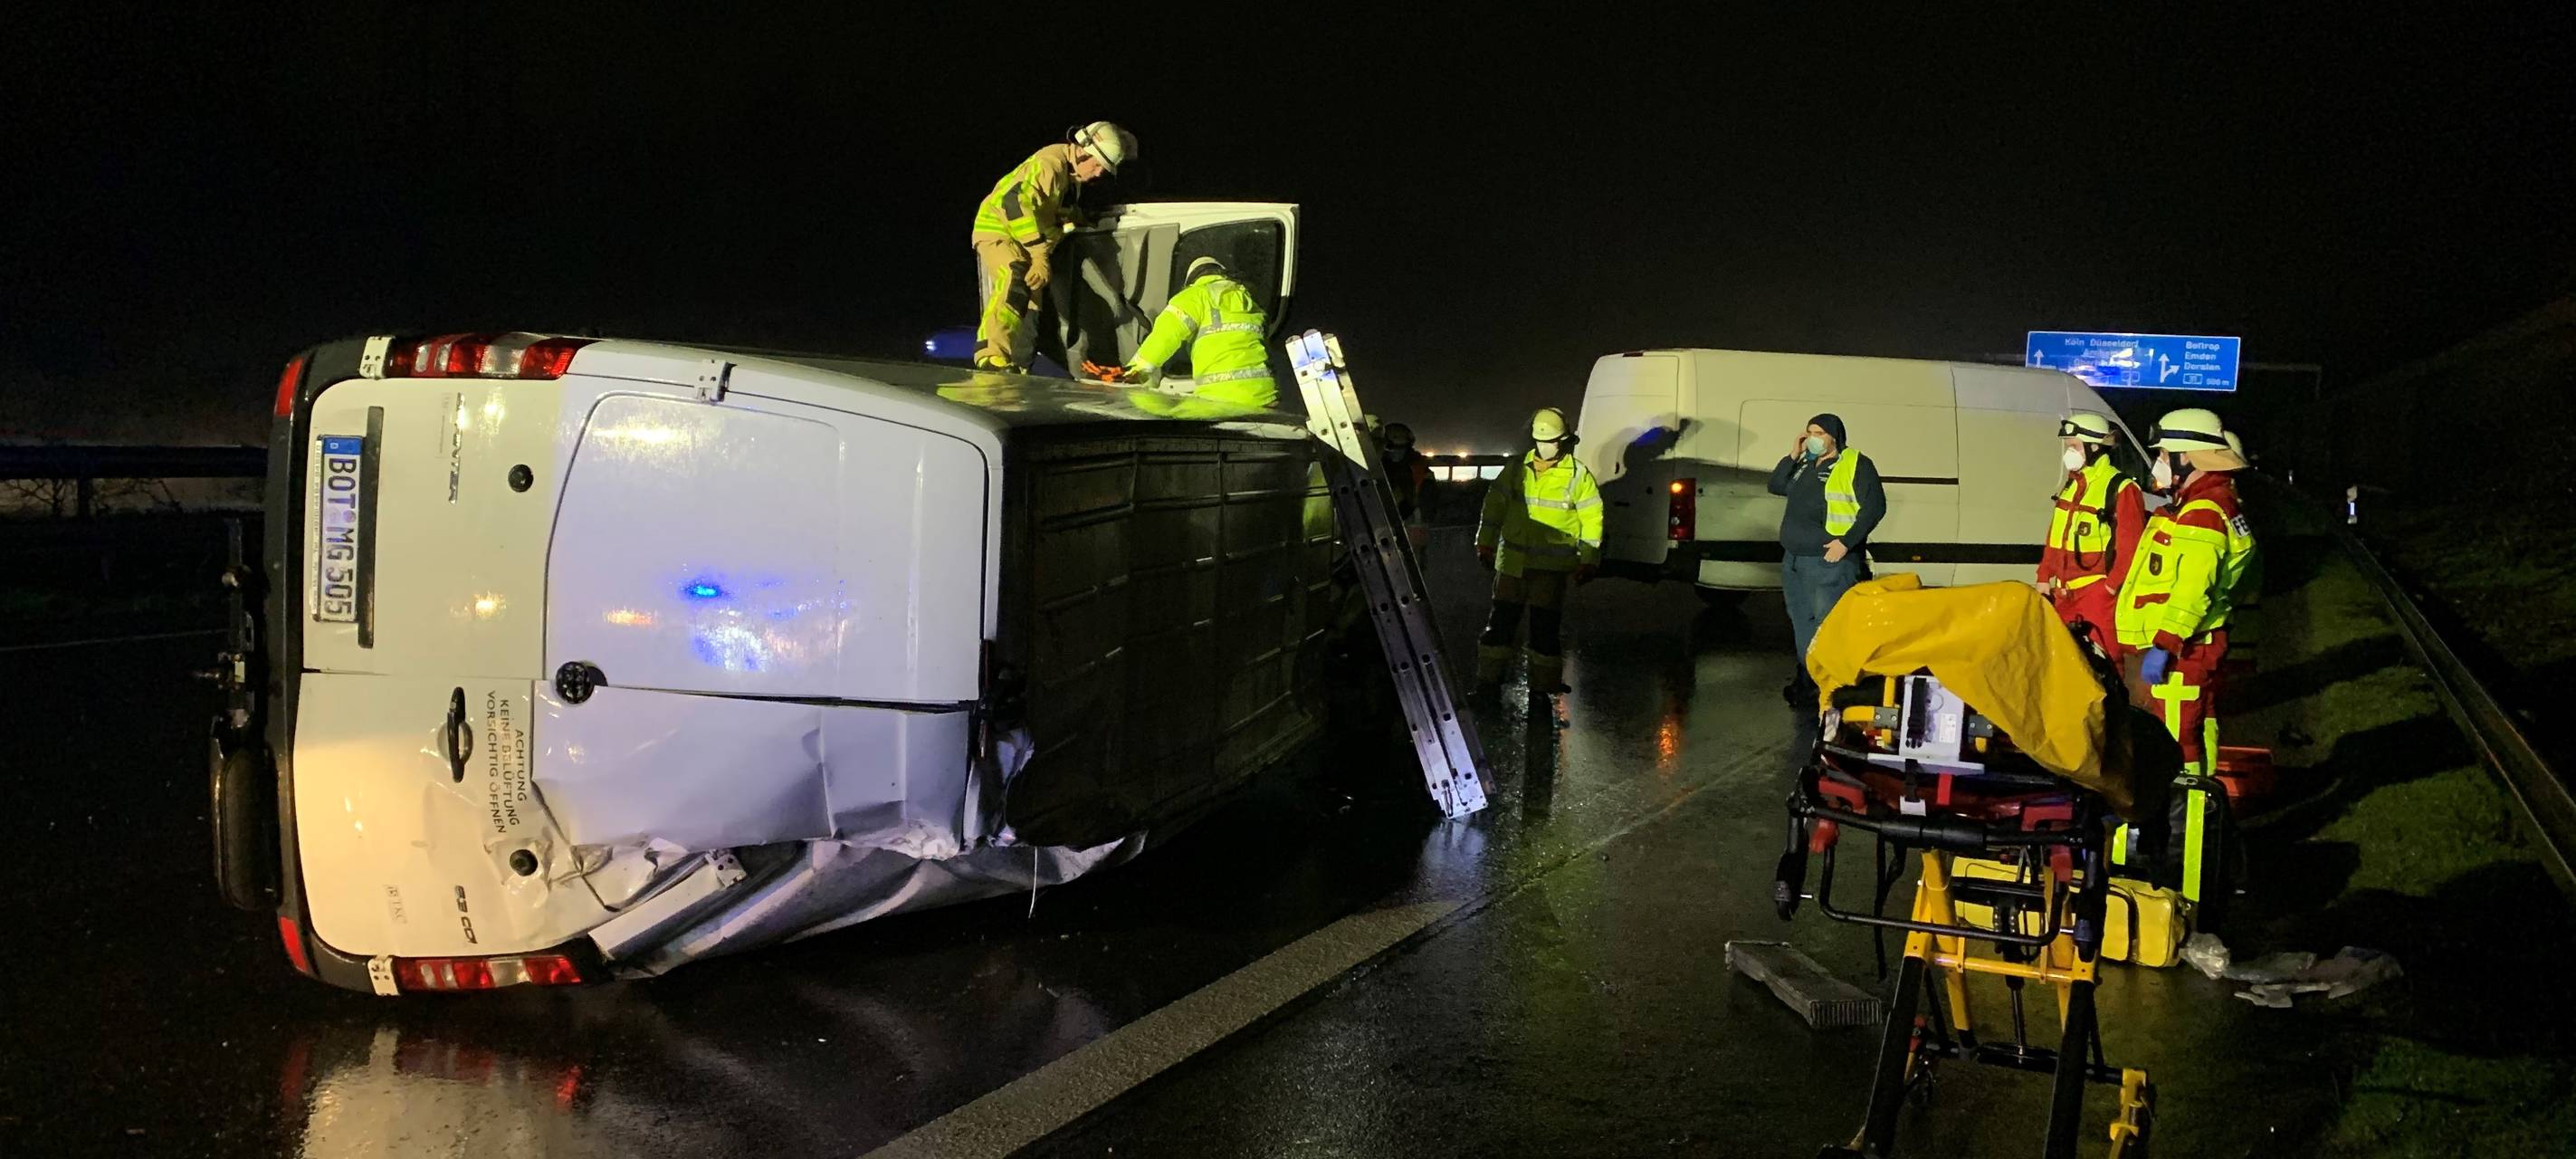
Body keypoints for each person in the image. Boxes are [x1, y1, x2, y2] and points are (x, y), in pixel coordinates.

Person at [2113, 407, 2256, 777]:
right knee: (2197, 726)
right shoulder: (2201, 506)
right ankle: (2202, 801)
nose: (2159, 463)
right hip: (2195, 641)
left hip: (2183, 649)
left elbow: (2192, 590)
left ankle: (2182, 811)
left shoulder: (2203, 513)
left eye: (2164, 454)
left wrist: (2165, 644)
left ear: (2187, 456)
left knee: (2175, 743)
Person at [970, 121, 1138, 372]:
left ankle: (1017, 367)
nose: (1098, 174)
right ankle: (989, 355)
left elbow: (1053, 213)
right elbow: (1014, 204)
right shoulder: (1050, 164)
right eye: (1098, 166)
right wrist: (1040, 256)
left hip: (1024, 241)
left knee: (1029, 306)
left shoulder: (1069, 179)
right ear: (1083, 152)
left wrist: (1080, 217)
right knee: (1014, 276)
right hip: (1000, 231)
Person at [1474, 407, 1603, 714]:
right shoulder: (1516, 469)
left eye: (1553, 441)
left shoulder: (1577, 474)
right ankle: (1488, 685)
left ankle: (1541, 693)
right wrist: (1485, 542)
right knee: (1500, 626)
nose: (1548, 446)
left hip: (1550, 570)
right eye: (1543, 441)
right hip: (1513, 565)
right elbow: (1493, 507)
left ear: (1564, 441)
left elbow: (1592, 518)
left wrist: (1589, 559)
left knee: (1544, 632)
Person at [1770, 413, 1885, 704]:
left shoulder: (1855, 464)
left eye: (1819, 433)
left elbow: (1875, 507)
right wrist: (1793, 455)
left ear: (1834, 437)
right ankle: (1808, 682)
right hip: (1795, 560)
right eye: (1810, 432)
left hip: (1828, 564)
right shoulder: (1805, 464)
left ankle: (1833, 688)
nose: (1813, 438)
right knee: (1802, 624)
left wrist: (1845, 543)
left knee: (1828, 626)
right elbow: (1776, 485)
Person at [2037, 410, 2147, 657]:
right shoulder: (2072, 484)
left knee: (2104, 661)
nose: (2069, 453)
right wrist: (2044, 576)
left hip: (2096, 594)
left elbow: (2131, 547)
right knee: (2064, 660)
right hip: (2063, 594)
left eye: (2074, 446)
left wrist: (2109, 588)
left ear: (2095, 447)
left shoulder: (2121, 488)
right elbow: (2055, 536)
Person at [1122, 256, 1276, 409]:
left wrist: (1131, 374)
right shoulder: (1249, 300)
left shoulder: (1194, 296)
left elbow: (1163, 338)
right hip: (1266, 398)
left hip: (1222, 400)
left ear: (1192, 281)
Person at [1379, 421, 1433, 545]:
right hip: (1389, 530)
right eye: (1393, 448)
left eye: (1401, 448)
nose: (1396, 452)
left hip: (1412, 533)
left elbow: (1427, 503)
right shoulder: (1380, 468)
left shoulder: (1419, 469)